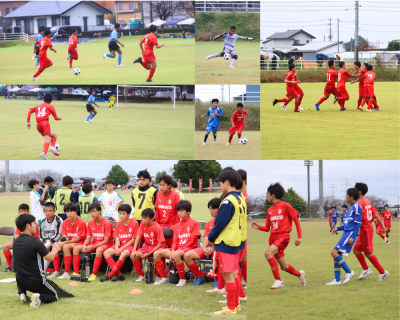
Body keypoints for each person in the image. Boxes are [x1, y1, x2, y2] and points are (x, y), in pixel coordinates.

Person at [251, 183, 305, 290]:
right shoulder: (269, 210)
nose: (267, 197)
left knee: (268, 253)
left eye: (268, 194)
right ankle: (300, 274)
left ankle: (278, 281)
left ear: (273, 195)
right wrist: (259, 227)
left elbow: (296, 220)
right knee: (284, 267)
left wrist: (299, 237)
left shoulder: (286, 206)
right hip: (273, 238)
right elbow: (267, 228)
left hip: (283, 237)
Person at [208, 168, 243, 315]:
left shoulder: (228, 201)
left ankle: (230, 308)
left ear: (227, 182)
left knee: (228, 275)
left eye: (220, 183)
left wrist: (210, 236)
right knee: (233, 274)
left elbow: (219, 223)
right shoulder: (239, 199)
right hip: (235, 242)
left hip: (226, 242)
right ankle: (235, 305)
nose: (219, 186)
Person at [13, 213, 63, 307]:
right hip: (36, 281)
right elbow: (50, 257)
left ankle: (22, 293)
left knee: (20, 272)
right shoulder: (35, 241)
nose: (36, 225)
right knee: (54, 295)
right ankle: (39, 297)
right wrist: (54, 250)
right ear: (28, 226)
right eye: (34, 223)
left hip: (20, 281)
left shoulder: (16, 242)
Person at [153, 200, 200, 286]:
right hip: (178, 249)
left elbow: (193, 241)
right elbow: (175, 241)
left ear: (188, 212)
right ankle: (164, 278)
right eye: (178, 211)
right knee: (156, 253)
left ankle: (182, 280)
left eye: (182, 211)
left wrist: (178, 250)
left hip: (189, 248)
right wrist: (173, 250)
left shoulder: (194, 223)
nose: (179, 213)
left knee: (176, 254)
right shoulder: (177, 225)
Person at [353, 183, 389, 281]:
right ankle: (366, 269)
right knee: (356, 250)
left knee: (368, 253)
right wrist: (382, 225)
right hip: (363, 229)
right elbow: (376, 214)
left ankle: (383, 272)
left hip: (366, 230)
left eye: (355, 190)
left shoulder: (360, 203)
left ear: (359, 192)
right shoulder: (367, 201)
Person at [325, 188, 362, 285]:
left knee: (333, 253)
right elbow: (347, 225)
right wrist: (337, 228)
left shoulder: (357, 207)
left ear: (352, 197)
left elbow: (357, 224)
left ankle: (349, 272)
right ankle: (337, 280)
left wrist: (353, 236)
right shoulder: (350, 209)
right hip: (345, 233)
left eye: (346, 195)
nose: (346, 197)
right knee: (336, 255)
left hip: (349, 234)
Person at [100, 204, 139, 282]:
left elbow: (133, 240)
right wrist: (117, 248)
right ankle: (119, 275)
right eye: (120, 213)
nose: (121, 215)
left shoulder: (134, 223)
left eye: (123, 214)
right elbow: (117, 239)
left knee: (124, 253)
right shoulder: (118, 224)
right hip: (120, 245)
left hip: (130, 246)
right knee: (106, 252)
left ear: (129, 214)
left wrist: (121, 248)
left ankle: (109, 275)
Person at [185, 198, 219, 287]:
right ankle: (200, 277)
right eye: (209, 209)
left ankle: (217, 279)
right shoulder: (208, 224)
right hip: (209, 248)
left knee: (216, 256)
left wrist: (212, 249)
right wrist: (204, 248)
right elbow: (206, 238)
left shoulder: (224, 223)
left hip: (218, 249)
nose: (210, 211)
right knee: (187, 255)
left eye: (213, 209)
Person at [130, 208, 167, 283]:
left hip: (159, 247)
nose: (143, 220)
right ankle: (141, 275)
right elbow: (138, 237)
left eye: (145, 218)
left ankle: (159, 276)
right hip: (147, 246)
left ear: (152, 218)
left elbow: (160, 244)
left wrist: (148, 254)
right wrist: (134, 250)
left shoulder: (157, 227)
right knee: (134, 256)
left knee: (157, 255)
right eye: (142, 217)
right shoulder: (142, 224)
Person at [2, 204, 39, 271]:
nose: (23, 213)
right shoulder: (20, 222)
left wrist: (17, 246)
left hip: (32, 241)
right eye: (21, 211)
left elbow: (31, 237)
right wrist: (15, 246)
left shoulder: (32, 221)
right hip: (21, 241)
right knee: (5, 246)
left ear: (28, 212)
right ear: (19, 213)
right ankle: (11, 267)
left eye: (25, 211)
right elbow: (18, 236)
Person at [82, 203, 114, 281]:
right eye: (91, 212)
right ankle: (78, 272)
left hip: (107, 243)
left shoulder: (107, 223)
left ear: (99, 211)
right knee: (83, 249)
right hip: (96, 243)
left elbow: (106, 241)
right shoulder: (90, 223)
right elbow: (88, 238)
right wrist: (84, 245)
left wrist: (92, 247)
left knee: (99, 249)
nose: (92, 214)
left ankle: (94, 274)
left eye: (94, 211)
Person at [27, 92, 62, 160]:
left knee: (54, 135)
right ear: (51, 100)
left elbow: (30, 111)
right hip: (45, 124)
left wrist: (28, 122)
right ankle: (44, 153)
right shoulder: (50, 106)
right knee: (47, 140)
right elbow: (56, 118)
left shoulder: (38, 106)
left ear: (43, 99)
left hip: (38, 125)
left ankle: (52, 147)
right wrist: (60, 118)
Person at [58, 202, 87, 279]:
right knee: (56, 246)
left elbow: (78, 239)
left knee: (66, 246)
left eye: (71, 211)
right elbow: (64, 236)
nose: (69, 213)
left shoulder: (81, 222)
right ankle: (58, 271)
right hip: (71, 242)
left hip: (81, 243)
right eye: (67, 212)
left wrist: (64, 242)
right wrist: (60, 242)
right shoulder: (65, 222)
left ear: (75, 211)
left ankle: (72, 272)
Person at [155, 174, 180, 248]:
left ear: (169, 185)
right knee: (160, 250)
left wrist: (175, 225)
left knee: (173, 249)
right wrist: (156, 225)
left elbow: (178, 212)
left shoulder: (175, 196)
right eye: (160, 185)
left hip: (171, 226)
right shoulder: (158, 194)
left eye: (163, 185)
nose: (161, 187)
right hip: (160, 226)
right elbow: (157, 211)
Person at [39, 202, 63, 277]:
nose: (48, 213)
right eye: (46, 211)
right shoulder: (43, 221)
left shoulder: (58, 220)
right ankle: (38, 269)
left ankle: (55, 271)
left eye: (50, 211)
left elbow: (59, 234)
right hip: (46, 241)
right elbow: (41, 235)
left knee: (52, 247)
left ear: (54, 211)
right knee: (36, 247)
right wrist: (46, 241)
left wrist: (51, 241)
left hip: (56, 241)